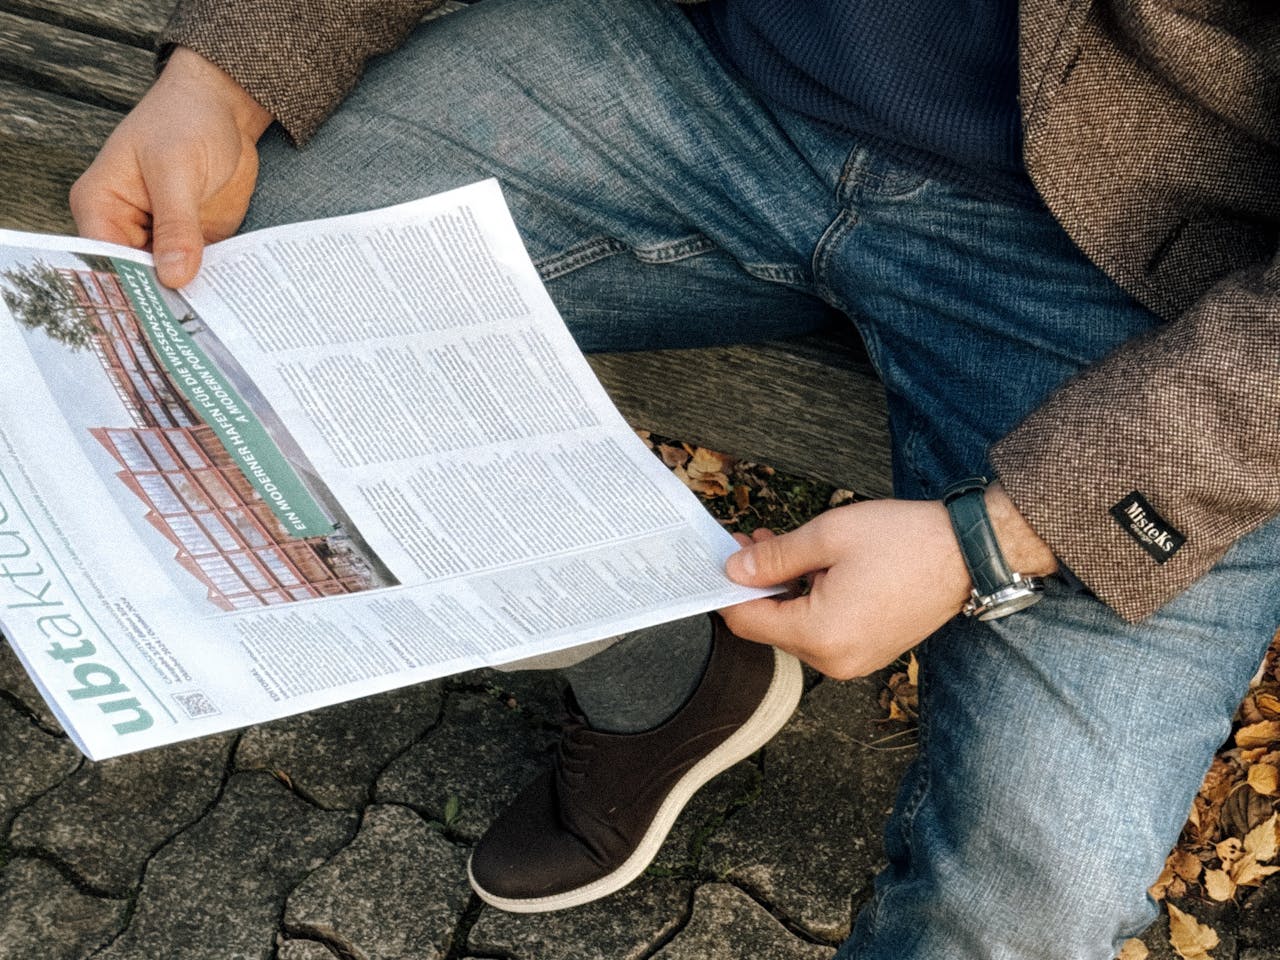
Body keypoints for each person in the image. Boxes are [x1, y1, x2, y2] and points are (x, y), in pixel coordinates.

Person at [71, 1, 1280, 957]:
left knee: (1029, 903)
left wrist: (999, 534)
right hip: (710, 69)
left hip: (1134, 274)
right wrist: (220, 74)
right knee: (183, 319)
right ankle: (668, 670)